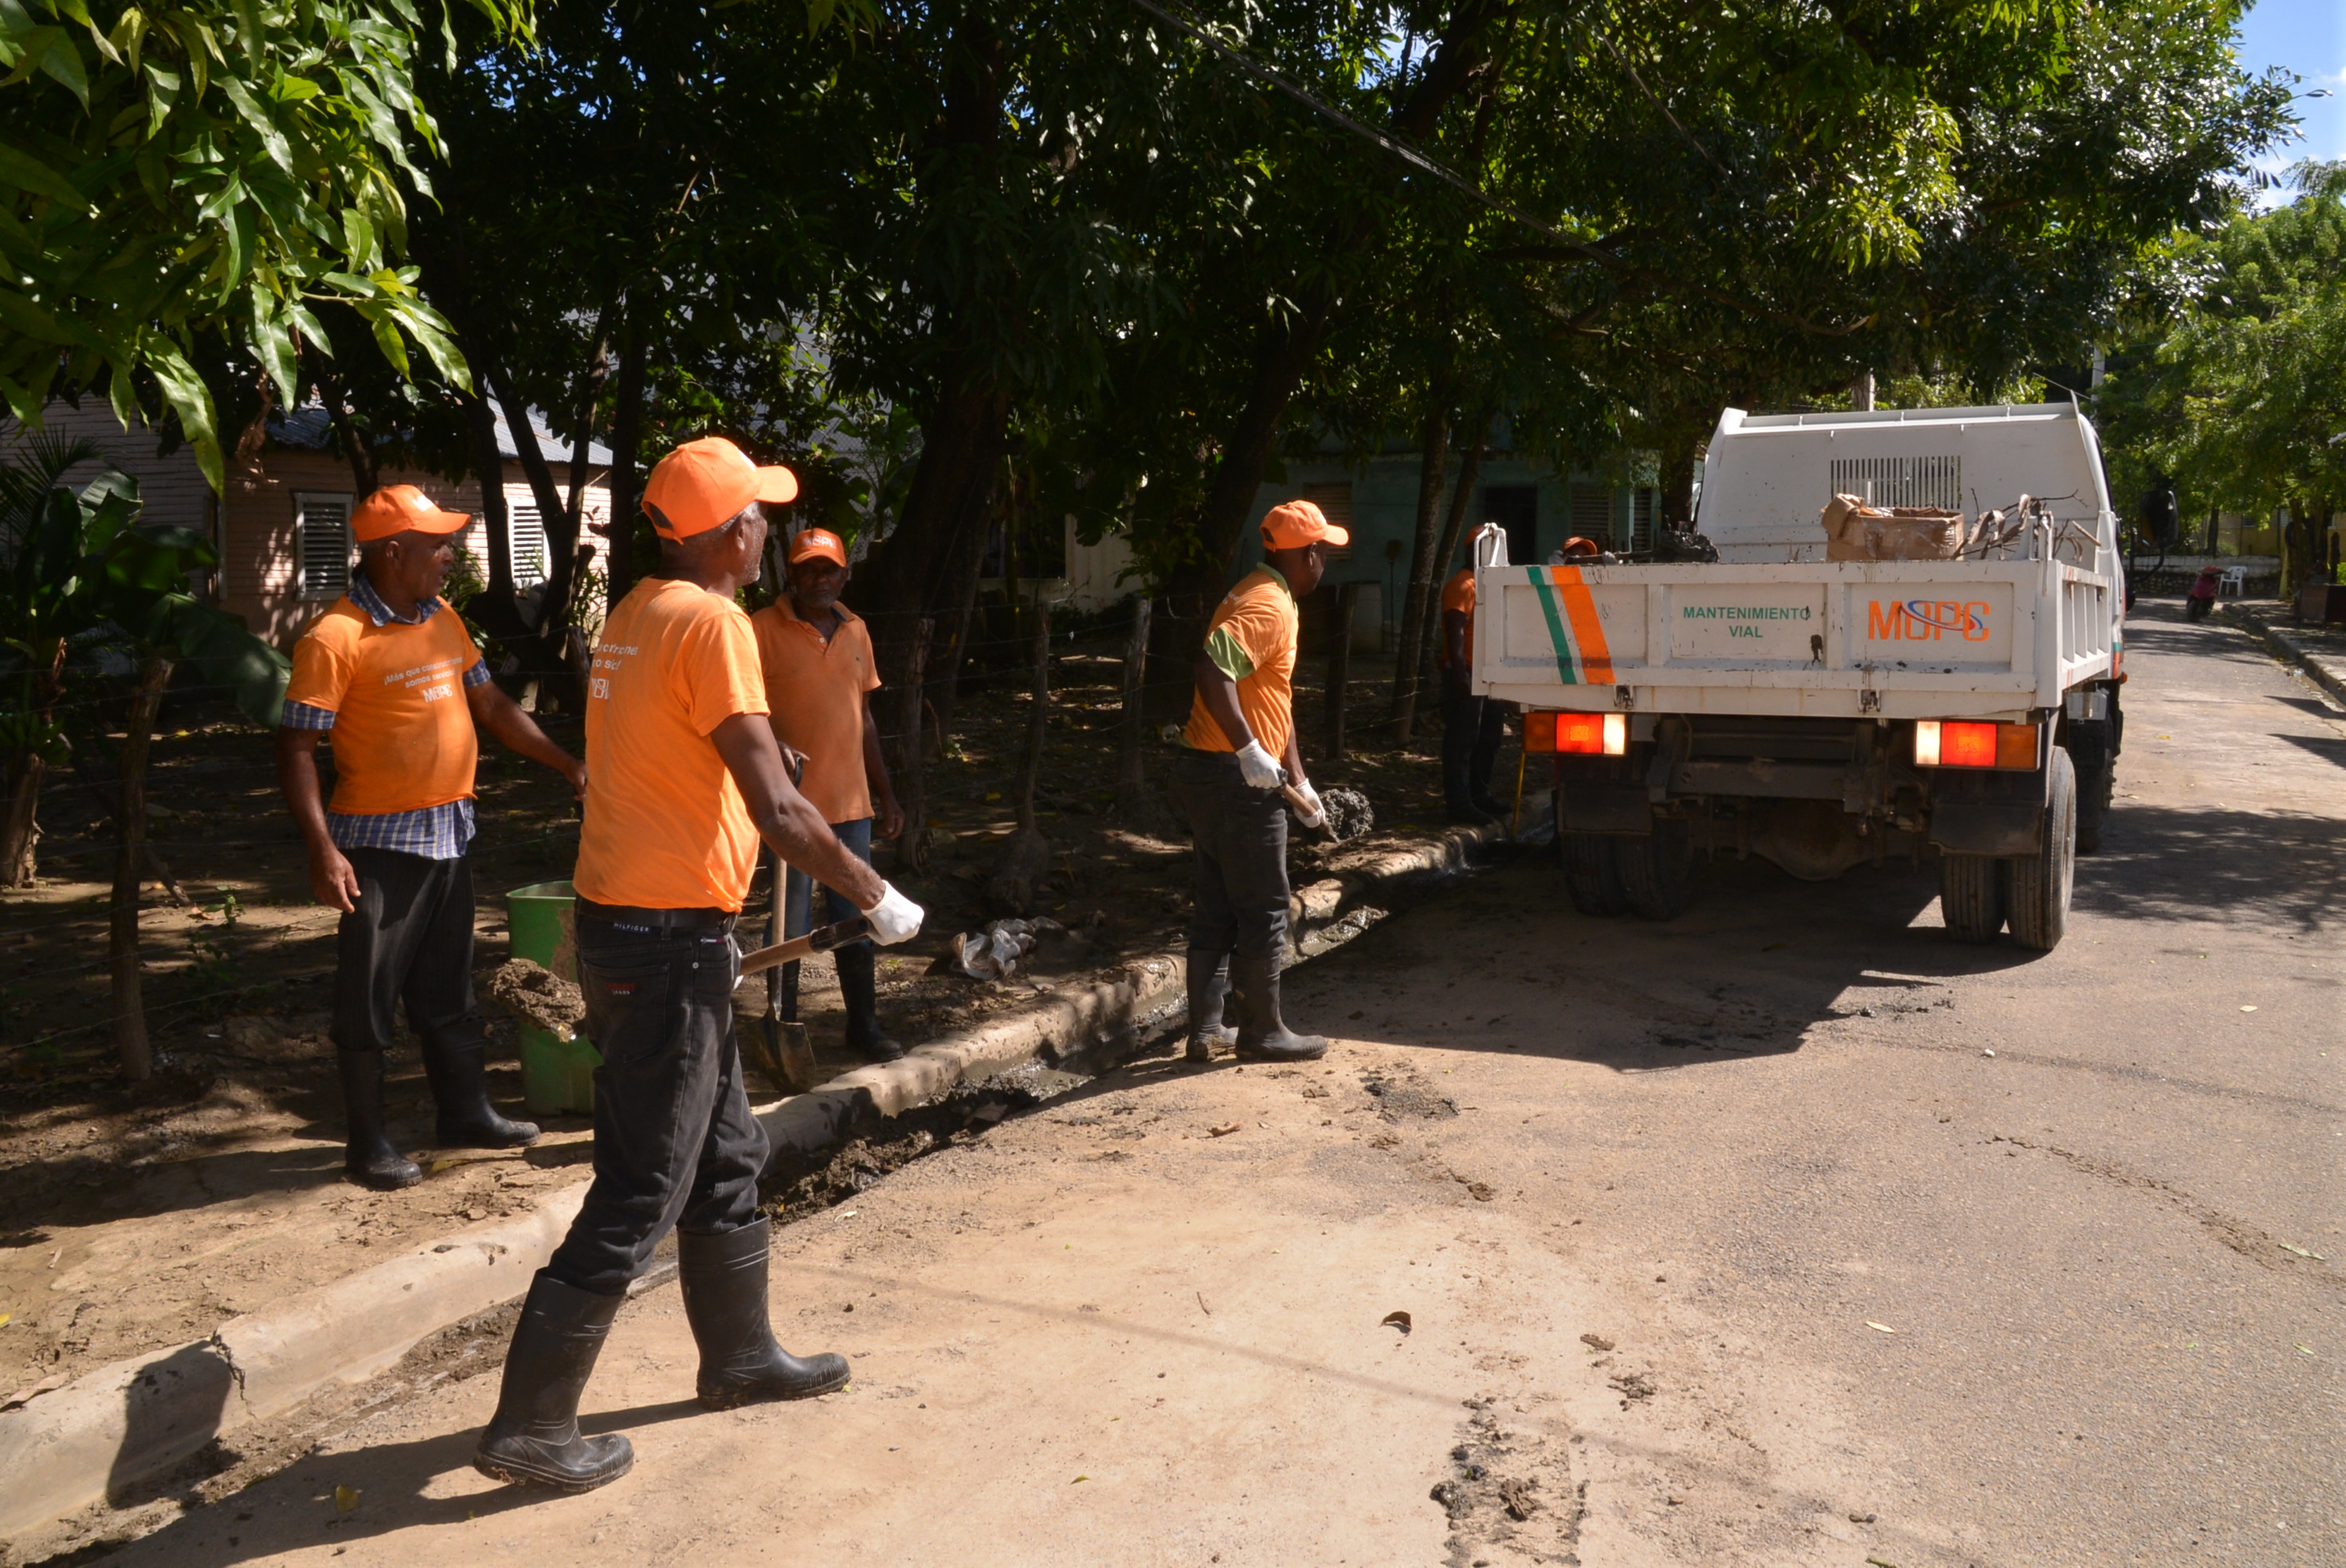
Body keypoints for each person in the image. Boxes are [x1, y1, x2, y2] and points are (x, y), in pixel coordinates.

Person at [471, 437, 923, 1494]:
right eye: (758, 514)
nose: (766, 528)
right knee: (641, 1185)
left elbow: (679, 759)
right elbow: (780, 809)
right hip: (664, 939)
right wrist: (874, 894)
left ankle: (739, 1357)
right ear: (731, 535)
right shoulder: (717, 621)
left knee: (723, 1158)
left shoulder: (636, 611)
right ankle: (530, 1425)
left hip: (644, 923)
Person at [276, 484, 586, 1191]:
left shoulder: (441, 616)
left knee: (449, 991)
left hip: (449, 832)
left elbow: (492, 705)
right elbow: (296, 748)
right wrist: (323, 851)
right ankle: (368, 1143)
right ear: (393, 552)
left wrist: (567, 763)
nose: (449, 556)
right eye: (437, 545)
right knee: (369, 997)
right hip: (380, 849)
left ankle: (466, 1113)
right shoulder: (336, 637)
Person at [1167, 499, 1342, 1067]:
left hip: (1209, 769)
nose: (1324, 564)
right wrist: (1247, 749)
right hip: (1232, 776)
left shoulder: (1256, 591)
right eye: (1322, 553)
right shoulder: (1269, 605)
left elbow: (1274, 697)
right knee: (1265, 904)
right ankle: (1263, 1031)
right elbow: (1211, 670)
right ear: (1305, 554)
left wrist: (1299, 776)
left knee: (1216, 900)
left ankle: (1207, 1029)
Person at [749, 527, 906, 1061]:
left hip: (849, 805)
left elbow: (863, 719)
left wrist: (886, 795)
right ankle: (783, 1023)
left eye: (829, 569)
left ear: (846, 574)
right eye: (808, 569)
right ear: (789, 576)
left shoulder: (856, 630)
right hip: (787, 806)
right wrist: (776, 744)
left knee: (856, 915)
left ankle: (863, 1027)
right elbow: (744, 713)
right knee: (789, 922)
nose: (819, 578)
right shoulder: (759, 630)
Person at [1439, 525, 1509, 825]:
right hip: (1466, 672)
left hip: (1488, 672)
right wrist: (1459, 676)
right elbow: (1454, 632)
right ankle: (1459, 803)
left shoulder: (1488, 585)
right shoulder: (1463, 585)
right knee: (1463, 739)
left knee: (1489, 737)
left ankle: (1480, 795)